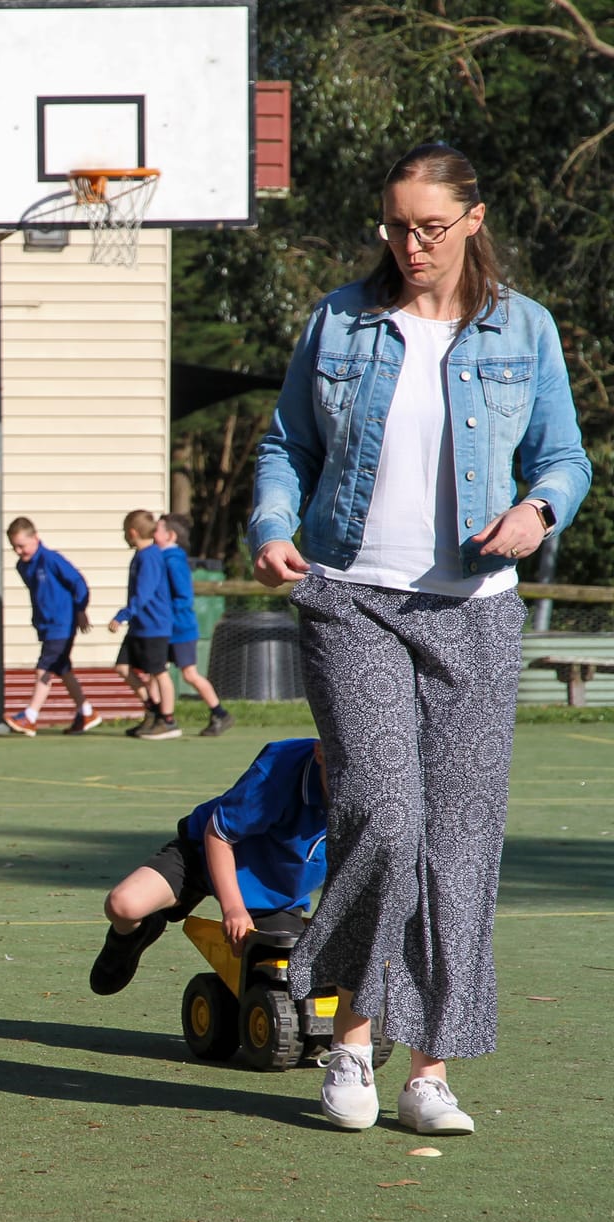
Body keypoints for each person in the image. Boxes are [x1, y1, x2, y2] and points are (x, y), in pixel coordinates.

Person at [250, 142, 589, 1135]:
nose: (409, 244)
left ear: (470, 221)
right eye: (395, 226)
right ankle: (350, 1040)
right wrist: (273, 525)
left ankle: (427, 1069)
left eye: (428, 227)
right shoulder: (340, 321)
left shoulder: (522, 329)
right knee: (383, 818)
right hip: (349, 595)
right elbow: (285, 442)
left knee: (457, 846)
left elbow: (561, 455)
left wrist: (537, 510)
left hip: (473, 613)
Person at [89, 739, 327, 996]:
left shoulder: (372, 789)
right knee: (123, 904)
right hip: (203, 854)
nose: (349, 789)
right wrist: (233, 907)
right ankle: (135, 934)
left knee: (288, 979)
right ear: (320, 752)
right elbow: (218, 834)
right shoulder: (280, 768)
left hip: (274, 889)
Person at [4, 516, 98, 735]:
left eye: (22, 545)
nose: (18, 551)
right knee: (63, 669)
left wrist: (81, 609)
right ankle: (86, 712)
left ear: (35, 538)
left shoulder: (51, 560)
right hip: (46, 625)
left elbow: (78, 582)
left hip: (62, 623)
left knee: (44, 669)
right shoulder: (23, 566)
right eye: (14, 547)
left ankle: (30, 716)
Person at [154, 513, 233, 737]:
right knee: (156, 671)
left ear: (170, 536)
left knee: (189, 674)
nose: (153, 533)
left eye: (157, 529)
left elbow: (183, 596)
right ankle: (160, 715)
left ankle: (220, 712)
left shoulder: (174, 560)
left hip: (179, 627)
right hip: (168, 626)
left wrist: (166, 615)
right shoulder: (161, 557)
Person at [108, 508, 177, 739]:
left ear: (133, 532)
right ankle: (153, 709)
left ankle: (167, 719)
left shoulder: (150, 557)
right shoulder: (140, 555)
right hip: (139, 626)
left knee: (159, 673)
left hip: (154, 626)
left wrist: (123, 614)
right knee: (123, 668)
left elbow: (144, 593)